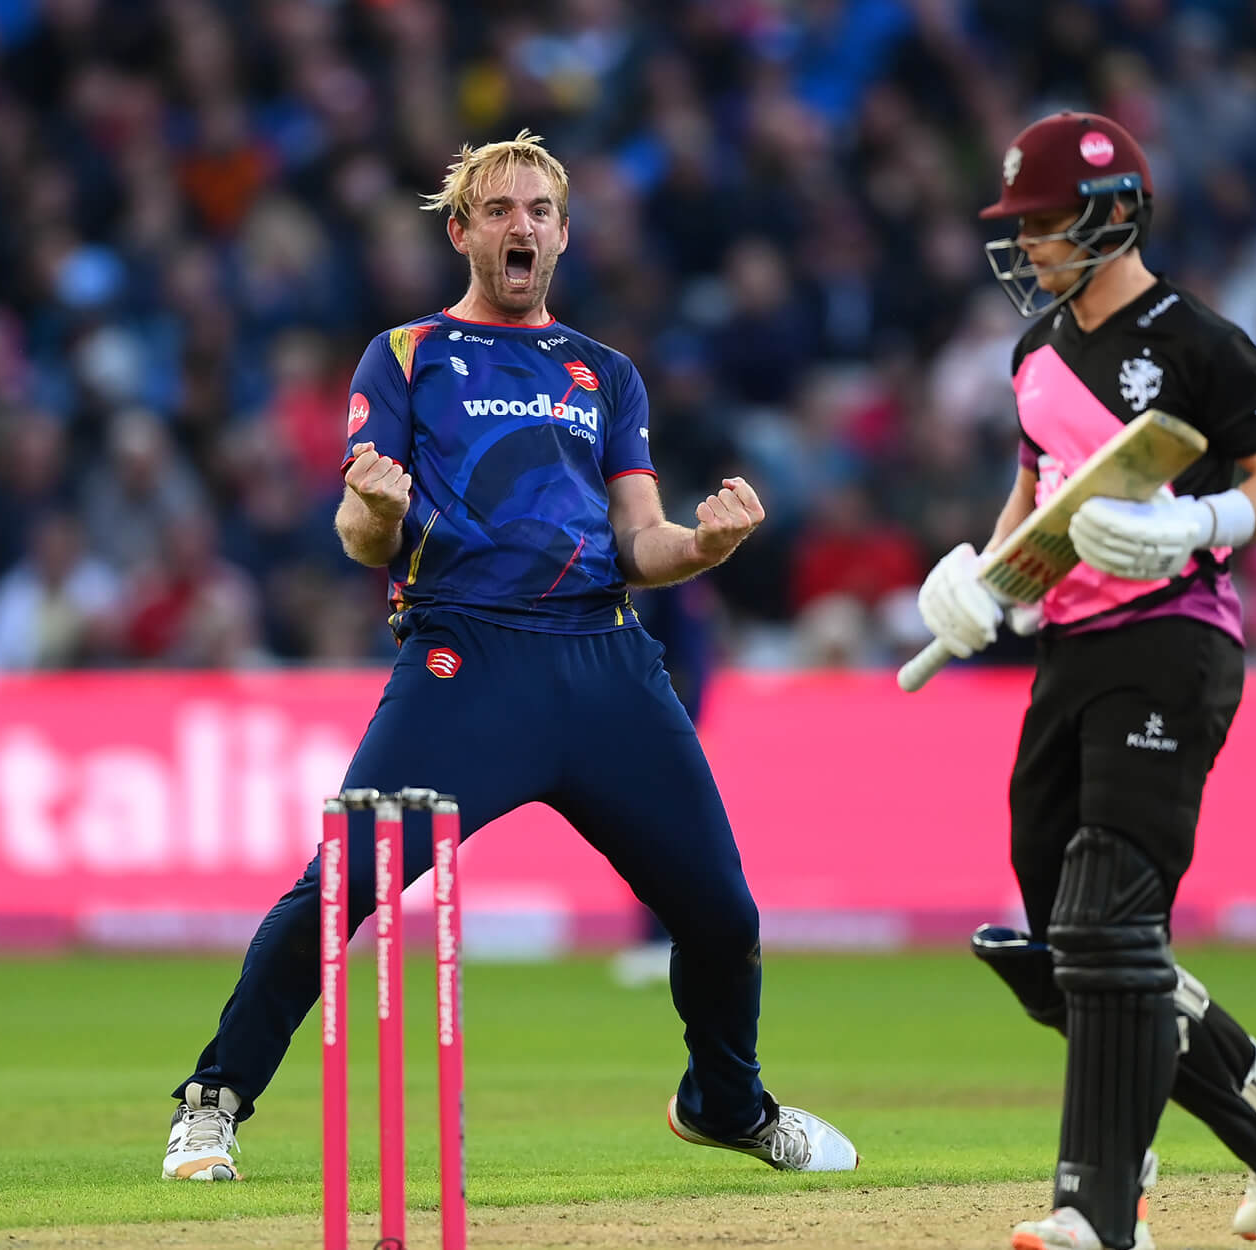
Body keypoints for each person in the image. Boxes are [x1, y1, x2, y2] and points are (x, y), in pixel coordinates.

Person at [163, 130, 858, 1182]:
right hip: (467, 661)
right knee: (342, 884)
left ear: (563, 233)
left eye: (537, 209)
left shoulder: (604, 373)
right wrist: (371, 509)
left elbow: (640, 543)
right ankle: (211, 1101)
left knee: (720, 913)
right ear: (461, 231)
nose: (518, 224)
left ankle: (725, 1101)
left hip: (605, 662)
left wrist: (706, 545)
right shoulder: (402, 356)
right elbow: (363, 539)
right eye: (496, 209)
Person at [915, 112, 1256, 1250]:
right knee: (1069, 944)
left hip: (1172, 635)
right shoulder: (1032, 354)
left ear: (1112, 213)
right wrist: (980, 580)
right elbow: (1036, 497)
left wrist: (1203, 519)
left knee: (1106, 925)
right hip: (1067, 651)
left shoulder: (1200, 341)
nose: (1029, 246)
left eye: (1045, 223)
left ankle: (1100, 1209)